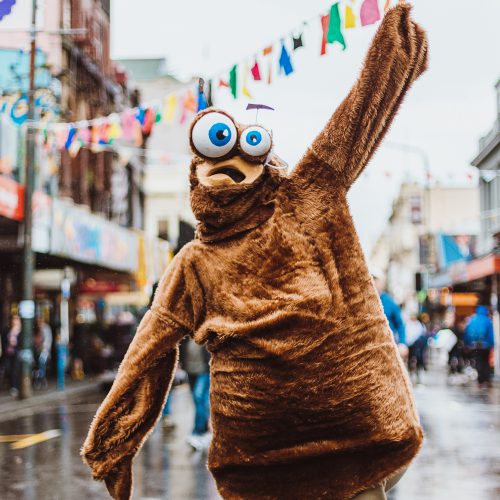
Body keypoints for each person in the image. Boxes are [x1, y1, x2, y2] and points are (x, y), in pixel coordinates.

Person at [82, 5, 428, 499]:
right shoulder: (194, 264)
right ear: (197, 172)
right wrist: (113, 444)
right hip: (261, 467)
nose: (233, 164)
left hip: (355, 446)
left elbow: (356, 120)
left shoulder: (309, 194)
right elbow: (147, 354)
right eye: (217, 150)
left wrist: (394, 51)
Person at [180, 337, 211, 451]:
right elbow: (181, 345)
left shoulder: (206, 330)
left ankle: (197, 432)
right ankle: (204, 430)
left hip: (204, 370)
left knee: (199, 398)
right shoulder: (188, 332)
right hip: (190, 370)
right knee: (198, 400)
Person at [372, 268, 408, 360]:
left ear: (381, 282)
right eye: (372, 278)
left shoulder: (390, 302)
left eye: (376, 279)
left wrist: (402, 343)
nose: (373, 282)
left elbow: (400, 324)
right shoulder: (365, 301)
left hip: (388, 349)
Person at [464, 305, 495, 388]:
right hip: (485, 345)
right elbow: (491, 334)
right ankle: (486, 380)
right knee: (486, 362)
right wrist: (492, 344)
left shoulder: (473, 319)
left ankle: (480, 380)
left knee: (479, 362)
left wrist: (467, 344)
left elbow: (467, 332)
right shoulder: (487, 320)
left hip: (475, 345)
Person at [1, 314, 21, 396]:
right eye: (13, 319)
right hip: (7, 353)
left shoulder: (20, 330)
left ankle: (14, 387)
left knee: (15, 369)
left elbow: (22, 342)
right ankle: (10, 384)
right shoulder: (7, 330)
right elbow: (3, 341)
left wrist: (16, 343)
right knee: (8, 368)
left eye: (16, 319)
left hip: (16, 353)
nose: (14, 321)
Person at [406, 313, 427, 384]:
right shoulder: (408, 324)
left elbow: (420, 334)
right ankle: (411, 372)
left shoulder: (418, 325)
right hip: (409, 344)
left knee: (418, 358)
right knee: (410, 358)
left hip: (417, 345)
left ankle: (417, 371)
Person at [33, 317, 53, 388]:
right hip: (36, 351)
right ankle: (39, 379)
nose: (39, 323)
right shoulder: (36, 329)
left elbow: (48, 341)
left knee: (41, 362)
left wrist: (43, 348)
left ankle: (41, 379)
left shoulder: (46, 329)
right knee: (36, 364)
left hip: (44, 352)